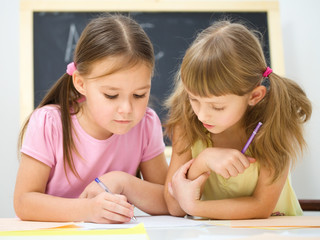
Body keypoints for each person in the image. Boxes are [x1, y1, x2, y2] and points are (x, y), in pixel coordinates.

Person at [14, 14, 168, 223]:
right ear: (80, 83)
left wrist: (123, 182)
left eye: (139, 95)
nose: (127, 109)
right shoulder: (49, 123)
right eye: (111, 95)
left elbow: (168, 202)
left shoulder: (146, 124)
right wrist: (87, 210)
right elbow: (24, 202)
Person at [164, 20, 312, 219]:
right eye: (194, 99)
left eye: (217, 107)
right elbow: (174, 206)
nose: (202, 115)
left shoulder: (273, 124)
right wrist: (202, 161)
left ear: (254, 96)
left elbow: (261, 207)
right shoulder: (187, 122)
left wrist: (195, 208)